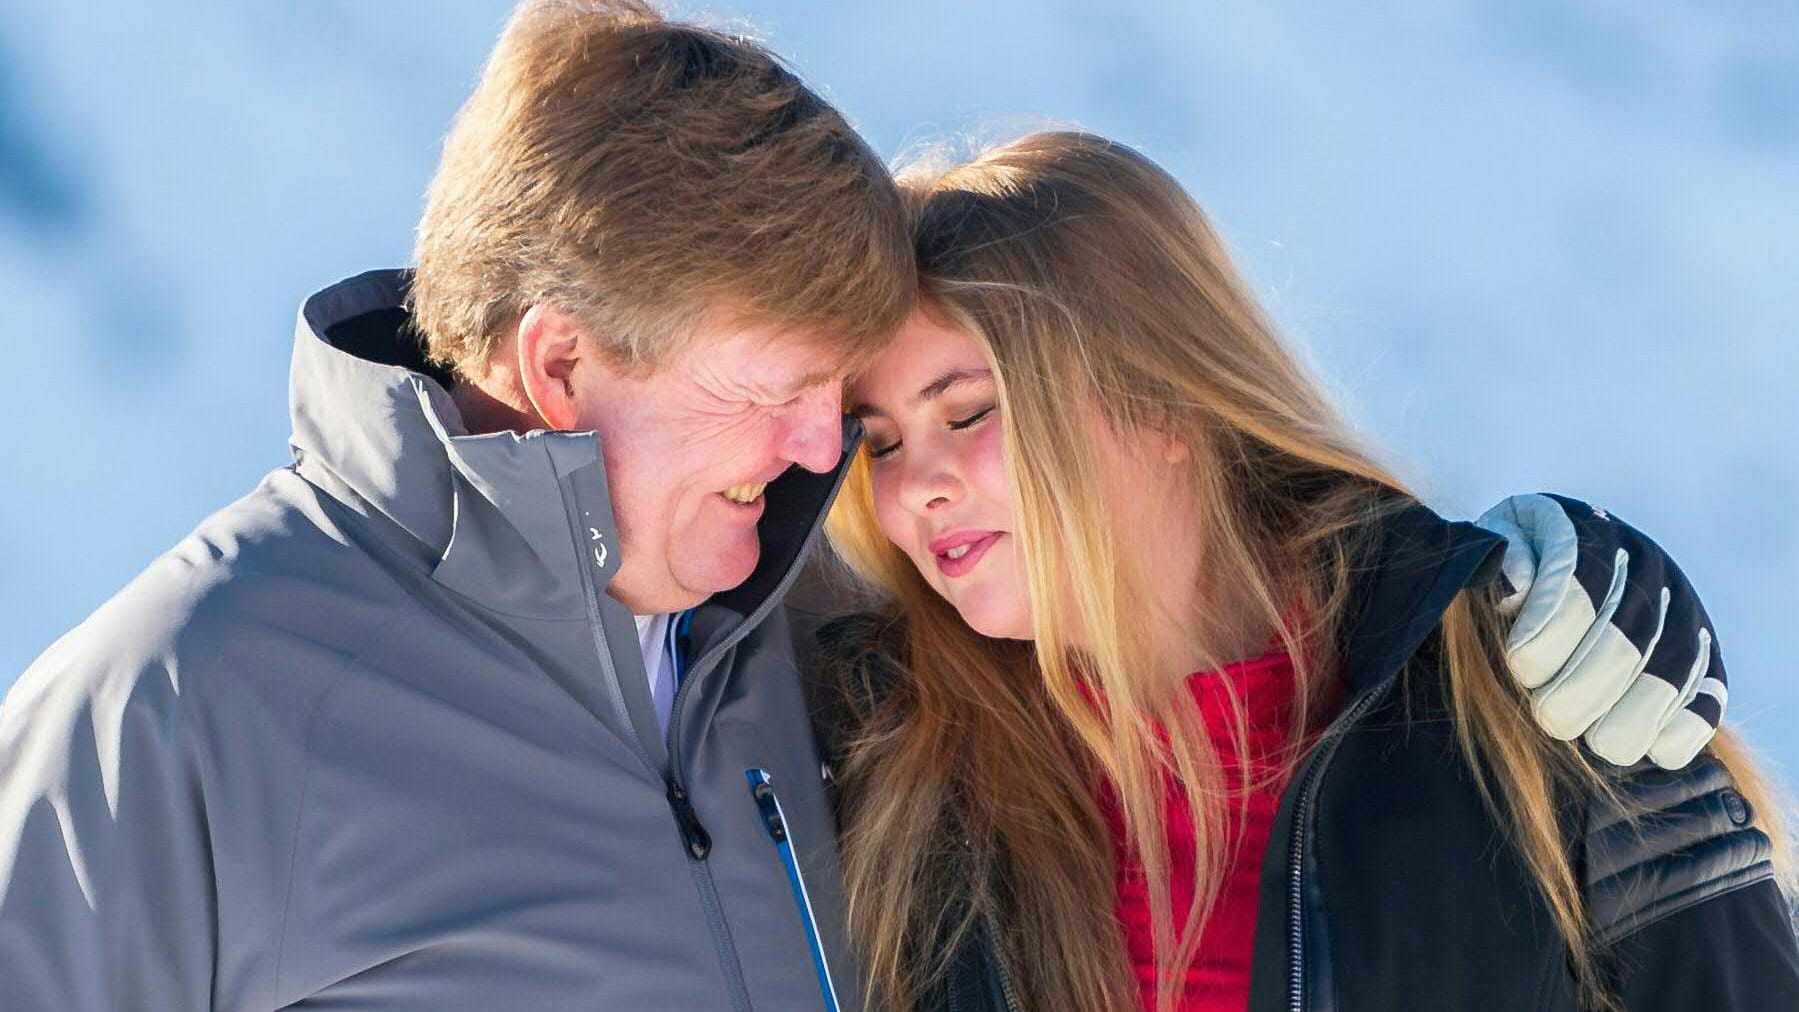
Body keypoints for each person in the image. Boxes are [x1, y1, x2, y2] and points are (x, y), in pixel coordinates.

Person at [0, 2, 1740, 1008]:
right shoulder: (174, 700)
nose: (861, 486)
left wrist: (1559, 579)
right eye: (824, 418)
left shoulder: (832, 676)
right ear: (556, 369)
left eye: (904, 415)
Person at [815, 131, 1798, 1012]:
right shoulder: (888, 759)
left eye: (967, 413)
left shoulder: (1537, 682)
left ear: (1158, 400)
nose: (913, 492)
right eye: (883, 443)